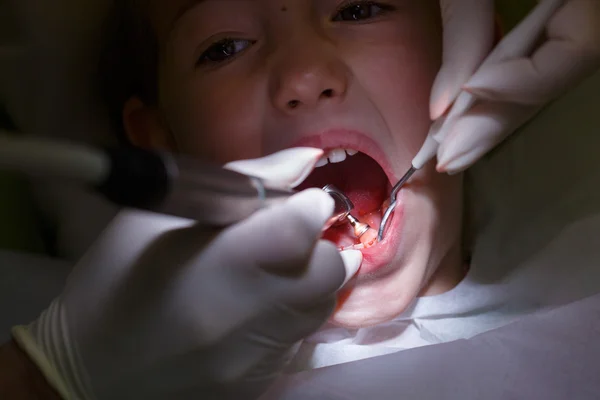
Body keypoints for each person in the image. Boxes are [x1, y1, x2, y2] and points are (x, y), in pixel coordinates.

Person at [0, 0, 598, 399]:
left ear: (479, 53)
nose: (304, 75)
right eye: (224, 47)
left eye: (358, 7)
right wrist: (51, 380)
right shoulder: (91, 340)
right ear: (161, 142)